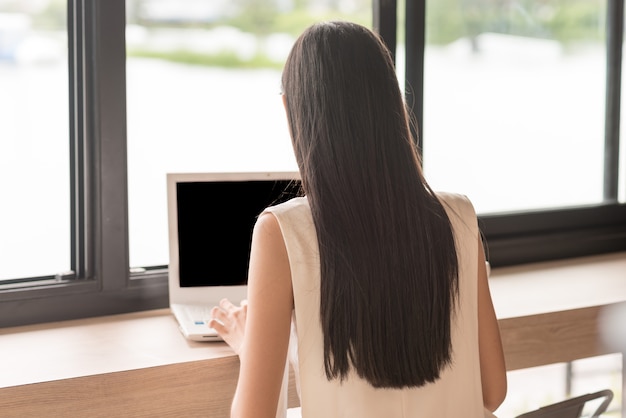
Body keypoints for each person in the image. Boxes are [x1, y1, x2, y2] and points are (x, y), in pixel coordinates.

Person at [209, 20, 507, 418]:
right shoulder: (459, 216)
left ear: (290, 110)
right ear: (393, 105)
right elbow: (493, 392)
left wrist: (251, 348)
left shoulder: (282, 231)